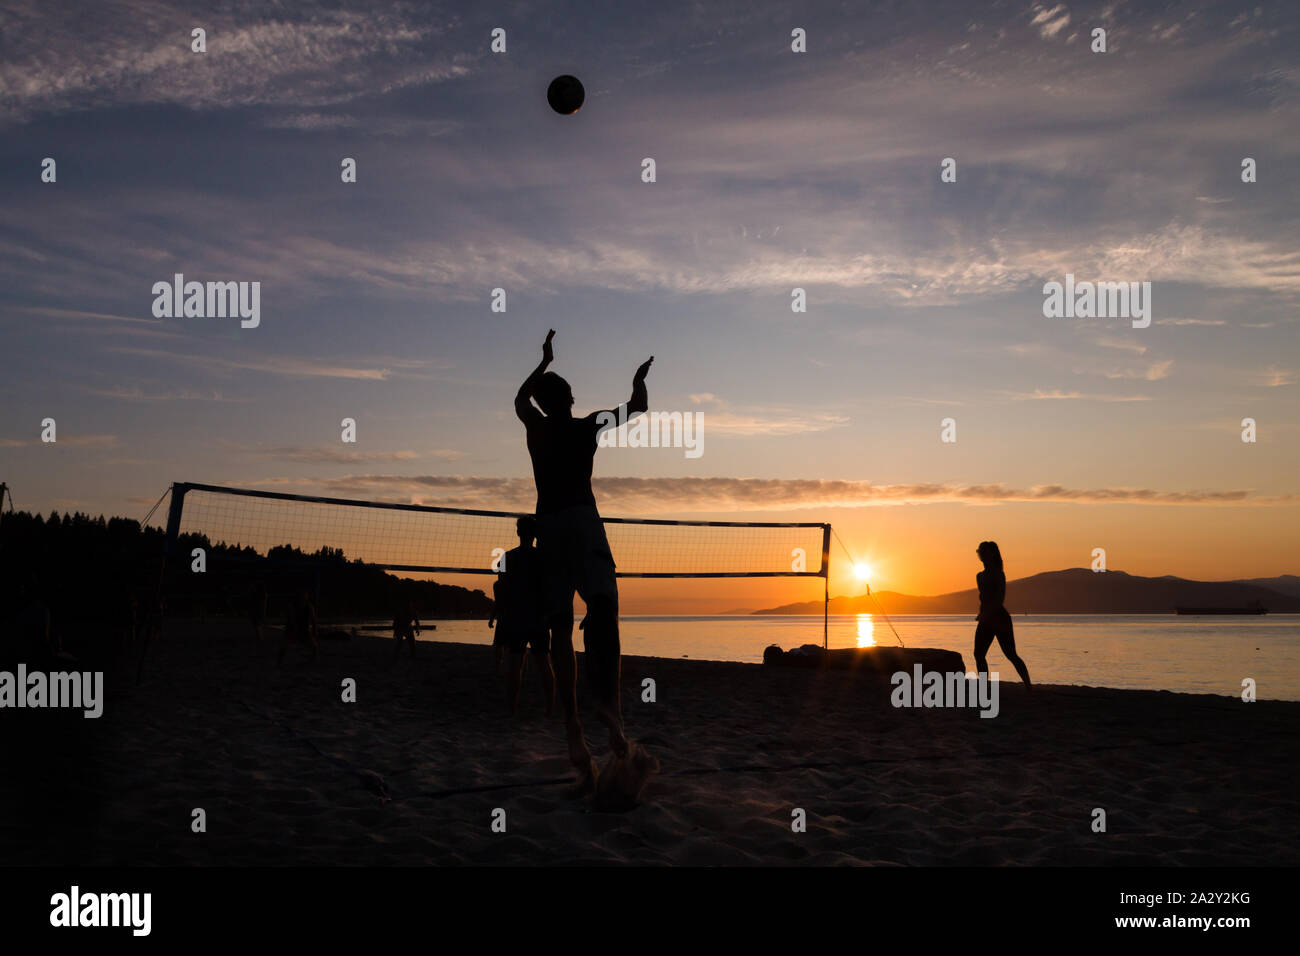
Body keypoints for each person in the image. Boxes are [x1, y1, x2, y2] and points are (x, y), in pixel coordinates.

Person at [515, 329, 653, 792]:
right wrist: (637, 381)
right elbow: (637, 408)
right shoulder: (585, 426)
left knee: (559, 625)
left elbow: (518, 398)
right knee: (604, 608)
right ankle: (610, 709)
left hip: (549, 525)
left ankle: (573, 723)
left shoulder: (536, 428)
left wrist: (542, 362)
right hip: (582, 519)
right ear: (570, 398)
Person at [491, 516, 556, 716]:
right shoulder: (544, 557)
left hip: (515, 616)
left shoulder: (505, 558)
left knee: (515, 662)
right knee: (544, 661)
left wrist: (499, 613)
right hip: (538, 617)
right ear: (535, 534)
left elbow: (500, 587)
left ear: (518, 532)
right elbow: (550, 588)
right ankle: (550, 708)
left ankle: (512, 708)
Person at [974, 541, 1031, 688]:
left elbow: (999, 598)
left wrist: (987, 614)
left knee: (1010, 654)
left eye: (984, 551)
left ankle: (1028, 685)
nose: (981, 554)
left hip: (1000, 619)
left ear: (992, 554)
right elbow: (983, 598)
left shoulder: (999, 574)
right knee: (978, 654)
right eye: (980, 551)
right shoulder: (980, 576)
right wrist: (982, 614)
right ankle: (983, 686)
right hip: (986, 619)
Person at [278, 588, 319, 665]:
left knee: (314, 646)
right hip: (292, 628)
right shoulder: (292, 606)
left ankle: (313, 660)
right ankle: (279, 661)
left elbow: (313, 620)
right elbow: (292, 619)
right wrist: (295, 630)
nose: (302, 599)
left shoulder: (309, 607)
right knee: (284, 645)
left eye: (304, 597)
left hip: (304, 629)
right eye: (300, 597)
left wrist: (314, 630)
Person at [392, 596, 420, 660]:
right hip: (400, 627)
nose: (409, 605)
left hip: (408, 627)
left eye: (410, 604)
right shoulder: (400, 611)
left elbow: (417, 621)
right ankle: (396, 655)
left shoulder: (413, 611)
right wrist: (395, 631)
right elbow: (395, 621)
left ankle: (412, 656)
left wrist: (417, 629)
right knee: (400, 642)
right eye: (407, 604)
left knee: (412, 643)